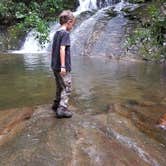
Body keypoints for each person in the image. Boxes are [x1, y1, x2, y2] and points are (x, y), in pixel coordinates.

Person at [51, 10, 75, 118]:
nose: (72, 26)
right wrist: (63, 66)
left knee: (59, 86)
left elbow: (54, 49)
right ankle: (62, 108)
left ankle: (56, 104)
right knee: (67, 87)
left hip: (54, 66)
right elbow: (62, 49)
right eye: (73, 24)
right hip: (62, 66)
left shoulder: (56, 33)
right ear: (69, 22)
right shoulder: (65, 33)